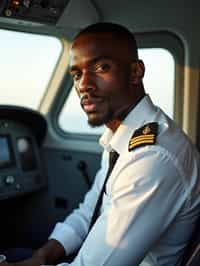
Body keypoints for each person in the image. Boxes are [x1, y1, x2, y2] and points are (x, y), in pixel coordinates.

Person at [2, 22, 200, 266]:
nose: (84, 85)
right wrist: (41, 257)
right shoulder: (124, 137)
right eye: (77, 74)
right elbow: (90, 212)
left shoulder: (151, 156)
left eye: (101, 67)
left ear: (136, 72)